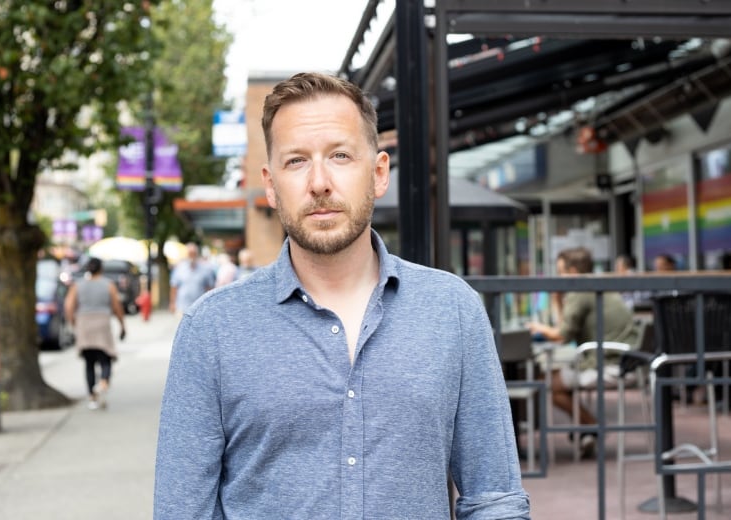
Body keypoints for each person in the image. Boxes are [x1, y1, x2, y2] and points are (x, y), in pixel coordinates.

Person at [154, 72, 530, 519]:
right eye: (296, 161)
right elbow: (183, 511)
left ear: (378, 173)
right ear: (270, 185)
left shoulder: (453, 312)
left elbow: (494, 498)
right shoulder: (212, 330)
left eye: (340, 155)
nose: (319, 182)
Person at [528, 247, 639, 458]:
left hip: (608, 363)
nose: (558, 277)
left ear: (572, 271)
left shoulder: (581, 291)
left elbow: (561, 335)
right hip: (625, 360)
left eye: (561, 271)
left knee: (545, 381)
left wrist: (536, 327)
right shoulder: (597, 285)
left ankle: (592, 426)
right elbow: (565, 330)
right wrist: (558, 301)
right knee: (558, 381)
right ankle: (587, 429)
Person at [63, 257, 126, 410]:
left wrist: (73, 323)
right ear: (101, 269)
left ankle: (92, 397)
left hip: (84, 323)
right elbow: (116, 306)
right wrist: (122, 324)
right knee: (106, 357)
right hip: (102, 322)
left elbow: (69, 306)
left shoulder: (77, 286)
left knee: (89, 363)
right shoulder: (108, 285)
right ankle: (104, 381)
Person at [168, 242, 216, 313]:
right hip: (182, 307)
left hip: (199, 308)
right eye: (190, 253)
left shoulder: (205, 269)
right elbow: (174, 287)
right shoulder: (179, 268)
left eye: (194, 253)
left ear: (197, 254)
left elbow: (209, 288)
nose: (192, 256)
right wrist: (172, 303)